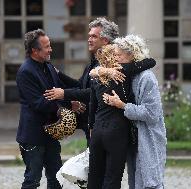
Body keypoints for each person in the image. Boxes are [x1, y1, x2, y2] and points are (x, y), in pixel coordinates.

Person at [43, 17, 124, 145]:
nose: (89, 40)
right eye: (89, 36)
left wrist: (64, 93)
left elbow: (95, 92)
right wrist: (58, 74)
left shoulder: (110, 66)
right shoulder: (93, 63)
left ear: (105, 41)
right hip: (91, 125)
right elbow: (81, 85)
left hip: (104, 126)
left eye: (93, 36)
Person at [87, 43, 156, 189]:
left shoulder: (96, 79)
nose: (118, 57)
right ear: (112, 58)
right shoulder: (124, 70)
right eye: (116, 54)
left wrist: (100, 70)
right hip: (116, 132)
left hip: (97, 131)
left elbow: (92, 106)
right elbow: (151, 61)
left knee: (94, 177)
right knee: (112, 178)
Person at [16, 29, 79, 189]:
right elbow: (38, 103)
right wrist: (66, 107)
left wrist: (71, 99)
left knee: (56, 178)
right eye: (46, 47)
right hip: (33, 136)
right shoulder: (25, 71)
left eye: (50, 45)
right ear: (34, 51)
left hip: (50, 135)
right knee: (32, 180)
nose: (50, 49)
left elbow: (60, 90)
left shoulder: (48, 66)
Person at [102, 35, 167, 189]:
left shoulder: (147, 78)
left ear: (131, 55)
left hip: (148, 137)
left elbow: (152, 114)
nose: (115, 59)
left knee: (150, 183)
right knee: (136, 183)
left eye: (118, 55)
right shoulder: (128, 74)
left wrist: (122, 105)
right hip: (133, 139)